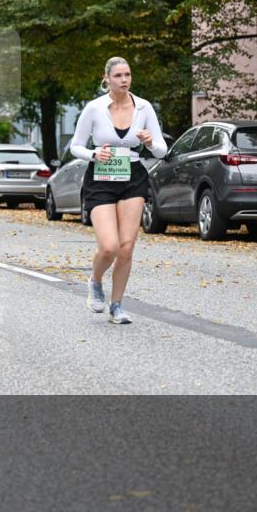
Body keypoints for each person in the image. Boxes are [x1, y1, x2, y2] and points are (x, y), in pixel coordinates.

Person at [69, 56, 167, 324]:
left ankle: (116, 306)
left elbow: (161, 149)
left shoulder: (144, 108)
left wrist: (148, 142)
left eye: (127, 75)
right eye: (118, 76)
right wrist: (92, 153)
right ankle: (95, 280)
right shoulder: (94, 108)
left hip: (132, 176)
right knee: (109, 245)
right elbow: (75, 145)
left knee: (127, 246)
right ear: (107, 78)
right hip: (101, 176)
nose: (124, 80)